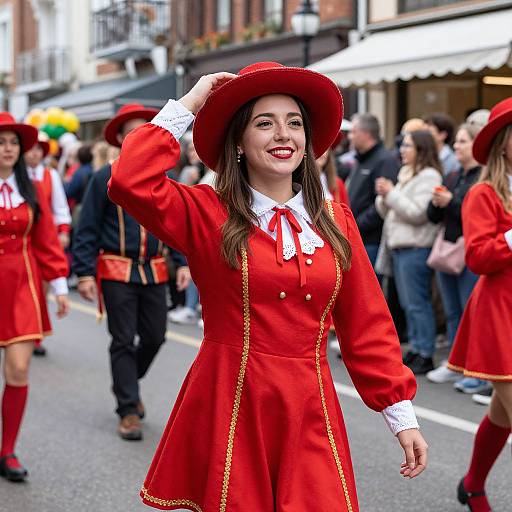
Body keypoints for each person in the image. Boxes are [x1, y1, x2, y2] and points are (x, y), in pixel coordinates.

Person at [109, 62, 427, 511]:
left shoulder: (336, 222)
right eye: (265, 123)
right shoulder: (206, 212)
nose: (284, 134)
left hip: (309, 408)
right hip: (232, 399)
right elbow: (129, 179)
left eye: (294, 123)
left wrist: (401, 416)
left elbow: (366, 323)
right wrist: (190, 104)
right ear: (238, 141)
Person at [73, 104, 191, 441]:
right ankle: (127, 409)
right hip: (116, 269)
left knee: (155, 337)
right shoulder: (102, 178)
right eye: (133, 132)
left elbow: (175, 225)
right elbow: (87, 229)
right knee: (123, 340)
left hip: (154, 271)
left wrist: (182, 263)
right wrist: (83, 273)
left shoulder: (162, 180)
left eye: (145, 130)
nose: (139, 137)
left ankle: (125, 382)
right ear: (122, 139)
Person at [447, 97, 512, 512]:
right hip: (500, 312)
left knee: (501, 416)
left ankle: (472, 485)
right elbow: (478, 256)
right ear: (504, 143)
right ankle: (472, 486)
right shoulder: (483, 193)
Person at [0, 112, 69, 481]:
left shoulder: (35, 188)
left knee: (19, 368)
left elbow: (45, 240)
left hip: (22, 285)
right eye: (2, 142)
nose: (9, 149)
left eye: (14, 142)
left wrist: (59, 285)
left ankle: (7, 449)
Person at [375, 130, 443, 375]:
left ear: (422, 149)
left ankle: (425, 352)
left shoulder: (429, 175)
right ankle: (416, 347)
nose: (403, 150)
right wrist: (384, 197)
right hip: (399, 247)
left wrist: (391, 194)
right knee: (407, 303)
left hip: (416, 247)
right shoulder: (406, 173)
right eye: (402, 145)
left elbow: (417, 214)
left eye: (408, 146)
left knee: (417, 303)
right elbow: (390, 213)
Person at [425, 123, 482, 387]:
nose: (456, 147)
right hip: (448, 250)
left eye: (462, 142)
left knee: (473, 313)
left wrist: (452, 202)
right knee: (452, 311)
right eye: (457, 142)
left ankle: (474, 369)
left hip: (470, 252)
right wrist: (437, 203)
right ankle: (455, 362)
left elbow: (476, 216)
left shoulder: (482, 177)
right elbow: (432, 216)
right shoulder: (453, 174)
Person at [25, 132, 72, 356]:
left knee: (39, 289)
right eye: (31, 149)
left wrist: (62, 230)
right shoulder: (15, 177)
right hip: (20, 240)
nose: (34, 154)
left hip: (43, 239)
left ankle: (34, 335)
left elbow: (60, 207)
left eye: (38, 150)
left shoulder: (49, 174)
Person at [347, 113, 400, 267]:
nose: (350, 137)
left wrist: (357, 225)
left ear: (366, 134)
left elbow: (382, 203)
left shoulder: (384, 161)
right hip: (356, 238)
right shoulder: (361, 159)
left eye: (353, 132)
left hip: (370, 241)